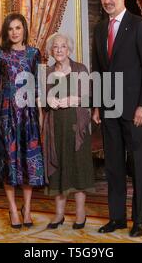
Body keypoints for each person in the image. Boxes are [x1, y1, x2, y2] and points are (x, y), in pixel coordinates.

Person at [91, 0, 142, 237]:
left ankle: (139, 221)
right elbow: (98, 69)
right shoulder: (99, 30)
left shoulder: (139, 26)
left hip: (135, 110)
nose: (106, 1)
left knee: (139, 164)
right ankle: (117, 218)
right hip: (109, 108)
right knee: (114, 166)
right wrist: (97, 104)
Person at [0, 13, 45, 229]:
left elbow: (37, 87)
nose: (14, 32)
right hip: (6, 113)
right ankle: (12, 209)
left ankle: (27, 209)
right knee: (9, 162)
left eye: (18, 28)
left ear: (24, 30)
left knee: (28, 162)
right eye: (10, 29)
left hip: (28, 113)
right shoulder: (0, 54)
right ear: (6, 31)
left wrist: (40, 113)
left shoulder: (33, 54)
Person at [42, 33, 95, 230]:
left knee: (78, 169)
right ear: (51, 51)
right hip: (55, 128)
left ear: (69, 49)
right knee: (59, 168)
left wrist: (75, 100)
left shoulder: (80, 69)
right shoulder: (47, 73)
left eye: (63, 46)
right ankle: (59, 214)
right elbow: (41, 101)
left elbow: (90, 98)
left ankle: (81, 213)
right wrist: (48, 101)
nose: (59, 50)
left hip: (76, 128)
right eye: (55, 47)